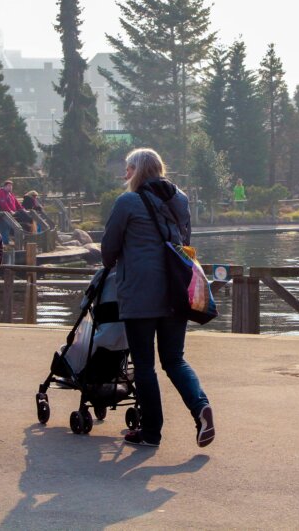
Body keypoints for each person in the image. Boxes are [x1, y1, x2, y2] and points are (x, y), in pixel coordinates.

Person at [100, 147, 215, 449]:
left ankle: (151, 432)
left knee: (145, 364)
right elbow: (185, 242)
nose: (124, 174)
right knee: (174, 359)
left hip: (139, 293)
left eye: (127, 168)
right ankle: (200, 407)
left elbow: (109, 248)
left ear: (137, 170)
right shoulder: (180, 200)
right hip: (177, 292)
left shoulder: (128, 202)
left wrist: (118, 258)